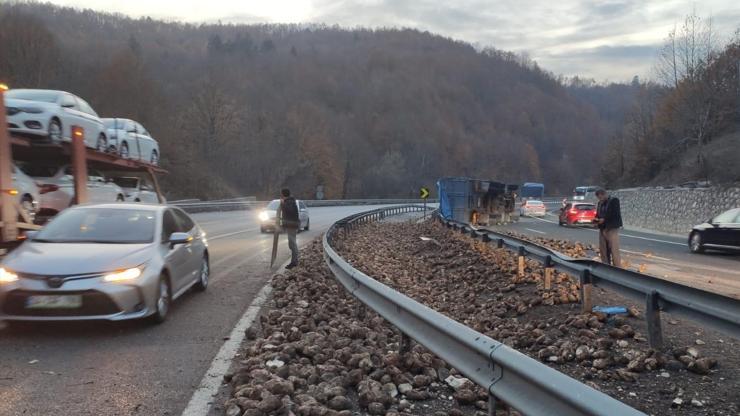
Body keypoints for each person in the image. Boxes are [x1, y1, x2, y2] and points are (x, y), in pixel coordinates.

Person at [594, 188, 623, 267]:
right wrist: (596, 219)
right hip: (602, 228)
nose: (600, 199)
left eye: (601, 197)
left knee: (614, 249)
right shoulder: (600, 203)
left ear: (605, 194)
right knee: (603, 249)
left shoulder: (614, 201)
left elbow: (615, 214)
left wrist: (604, 219)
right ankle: (606, 266)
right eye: (598, 198)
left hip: (611, 228)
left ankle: (617, 268)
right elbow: (598, 214)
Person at [279, 188, 300, 269]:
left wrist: (282, 203)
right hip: (290, 225)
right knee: (291, 244)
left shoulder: (290, 201)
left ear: (283, 194)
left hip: (292, 225)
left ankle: (294, 262)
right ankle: (294, 260)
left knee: (292, 244)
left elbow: (289, 211)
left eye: (281, 194)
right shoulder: (289, 201)